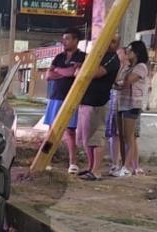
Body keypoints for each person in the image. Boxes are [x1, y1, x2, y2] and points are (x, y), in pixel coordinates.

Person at [76, 35, 121, 181]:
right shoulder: (99, 55)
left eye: (113, 41)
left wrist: (83, 70)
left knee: (96, 137)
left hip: (98, 102)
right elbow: (78, 72)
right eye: (109, 40)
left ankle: (96, 171)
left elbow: (95, 73)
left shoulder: (112, 58)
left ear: (117, 44)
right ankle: (90, 167)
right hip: (87, 101)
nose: (109, 44)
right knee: (87, 138)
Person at [44, 28, 86, 174]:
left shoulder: (82, 56)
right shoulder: (59, 57)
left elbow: (74, 73)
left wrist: (59, 71)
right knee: (51, 132)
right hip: (55, 97)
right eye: (64, 38)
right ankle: (45, 159)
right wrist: (65, 72)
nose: (64, 41)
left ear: (76, 40)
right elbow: (48, 75)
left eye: (67, 38)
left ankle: (73, 162)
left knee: (70, 131)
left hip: (70, 98)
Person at [114, 40, 149, 177]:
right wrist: (123, 67)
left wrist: (123, 65)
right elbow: (117, 82)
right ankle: (123, 164)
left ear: (137, 52)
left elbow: (127, 82)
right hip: (121, 103)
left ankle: (127, 167)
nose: (126, 53)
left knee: (129, 136)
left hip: (132, 104)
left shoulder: (141, 67)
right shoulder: (127, 67)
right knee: (122, 136)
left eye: (129, 50)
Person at [105, 43, 126, 175]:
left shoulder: (129, 69)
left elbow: (122, 84)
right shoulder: (115, 67)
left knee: (125, 135)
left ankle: (126, 164)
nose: (118, 56)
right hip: (113, 103)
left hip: (125, 104)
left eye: (120, 53)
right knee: (113, 134)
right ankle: (115, 163)